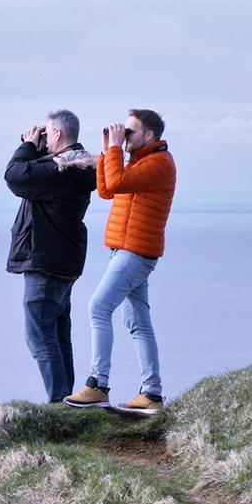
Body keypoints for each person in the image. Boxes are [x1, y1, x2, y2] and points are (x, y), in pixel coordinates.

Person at [63, 109, 176, 414]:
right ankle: (151, 393)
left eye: (130, 131)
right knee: (138, 322)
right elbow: (106, 189)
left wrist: (114, 149)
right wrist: (106, 151)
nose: (124, 136)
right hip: (127, 251)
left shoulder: (159, 163)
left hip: (135, 253)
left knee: (98, 307)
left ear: (149, 135)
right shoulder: (139, 161)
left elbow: (117, 179)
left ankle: (98, 385)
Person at [4, 109, 97, 403]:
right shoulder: (74, 167)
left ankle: (59, 404)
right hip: (62, 261)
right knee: (57, 335)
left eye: (46, 132)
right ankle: (67, 402)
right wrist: (37, 151)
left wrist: (28, 146)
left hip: (45, 261)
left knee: (39, 335)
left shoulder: (61, 169)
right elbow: (32, 177)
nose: (42, 137)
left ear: (56, 134)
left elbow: (15, 176)